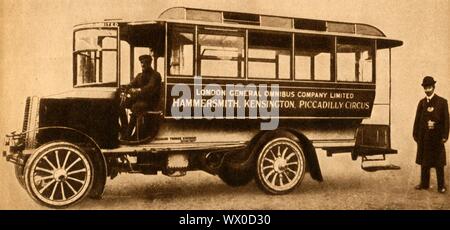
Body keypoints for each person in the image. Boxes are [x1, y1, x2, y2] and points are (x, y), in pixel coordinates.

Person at [413, 76, 449, 193]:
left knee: (439, 163)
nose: (427, 90)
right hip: (424, 138)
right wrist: (416, 135)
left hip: (437, 138)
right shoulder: (422, 103)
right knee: (425, 162)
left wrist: (444, 136)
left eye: (429, 87)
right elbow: (417, 120)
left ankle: (441, 186)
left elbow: (447, 121)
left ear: (433, 87)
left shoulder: (442, 102)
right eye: (425, 88)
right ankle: (424, 184)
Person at [119, 54, 161, 139]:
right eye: (142, 63)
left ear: (150, 63)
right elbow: (131, 84)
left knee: (136, 107)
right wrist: (125, 88)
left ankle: (130, 135)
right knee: (121, 105)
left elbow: (150, 87)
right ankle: (125, 128)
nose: (143, 65)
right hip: (140, 100)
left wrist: (138, 90)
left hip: (151, 102)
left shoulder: (155, 75)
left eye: (145, 63)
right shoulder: (139, 76)